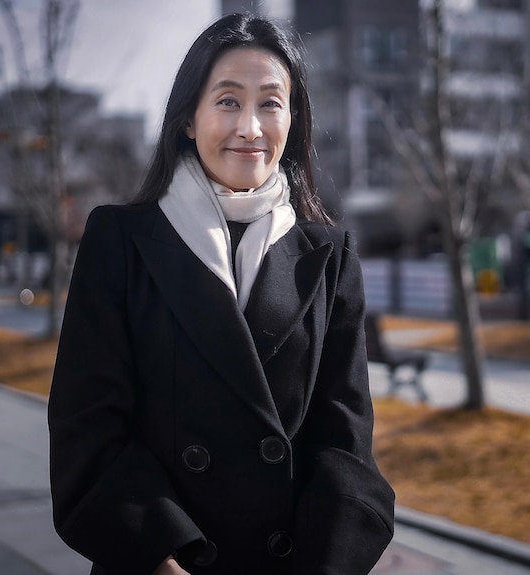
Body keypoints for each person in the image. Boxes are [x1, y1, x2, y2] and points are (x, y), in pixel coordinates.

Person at [47, 13, 395, 575]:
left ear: (294, 118)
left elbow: (345, 444)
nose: (251, 128)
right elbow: (87, 429)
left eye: (271, 103)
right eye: (228, 101)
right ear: (189, 118)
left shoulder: (330, 256)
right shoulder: (121, 240)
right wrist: (160, 558)